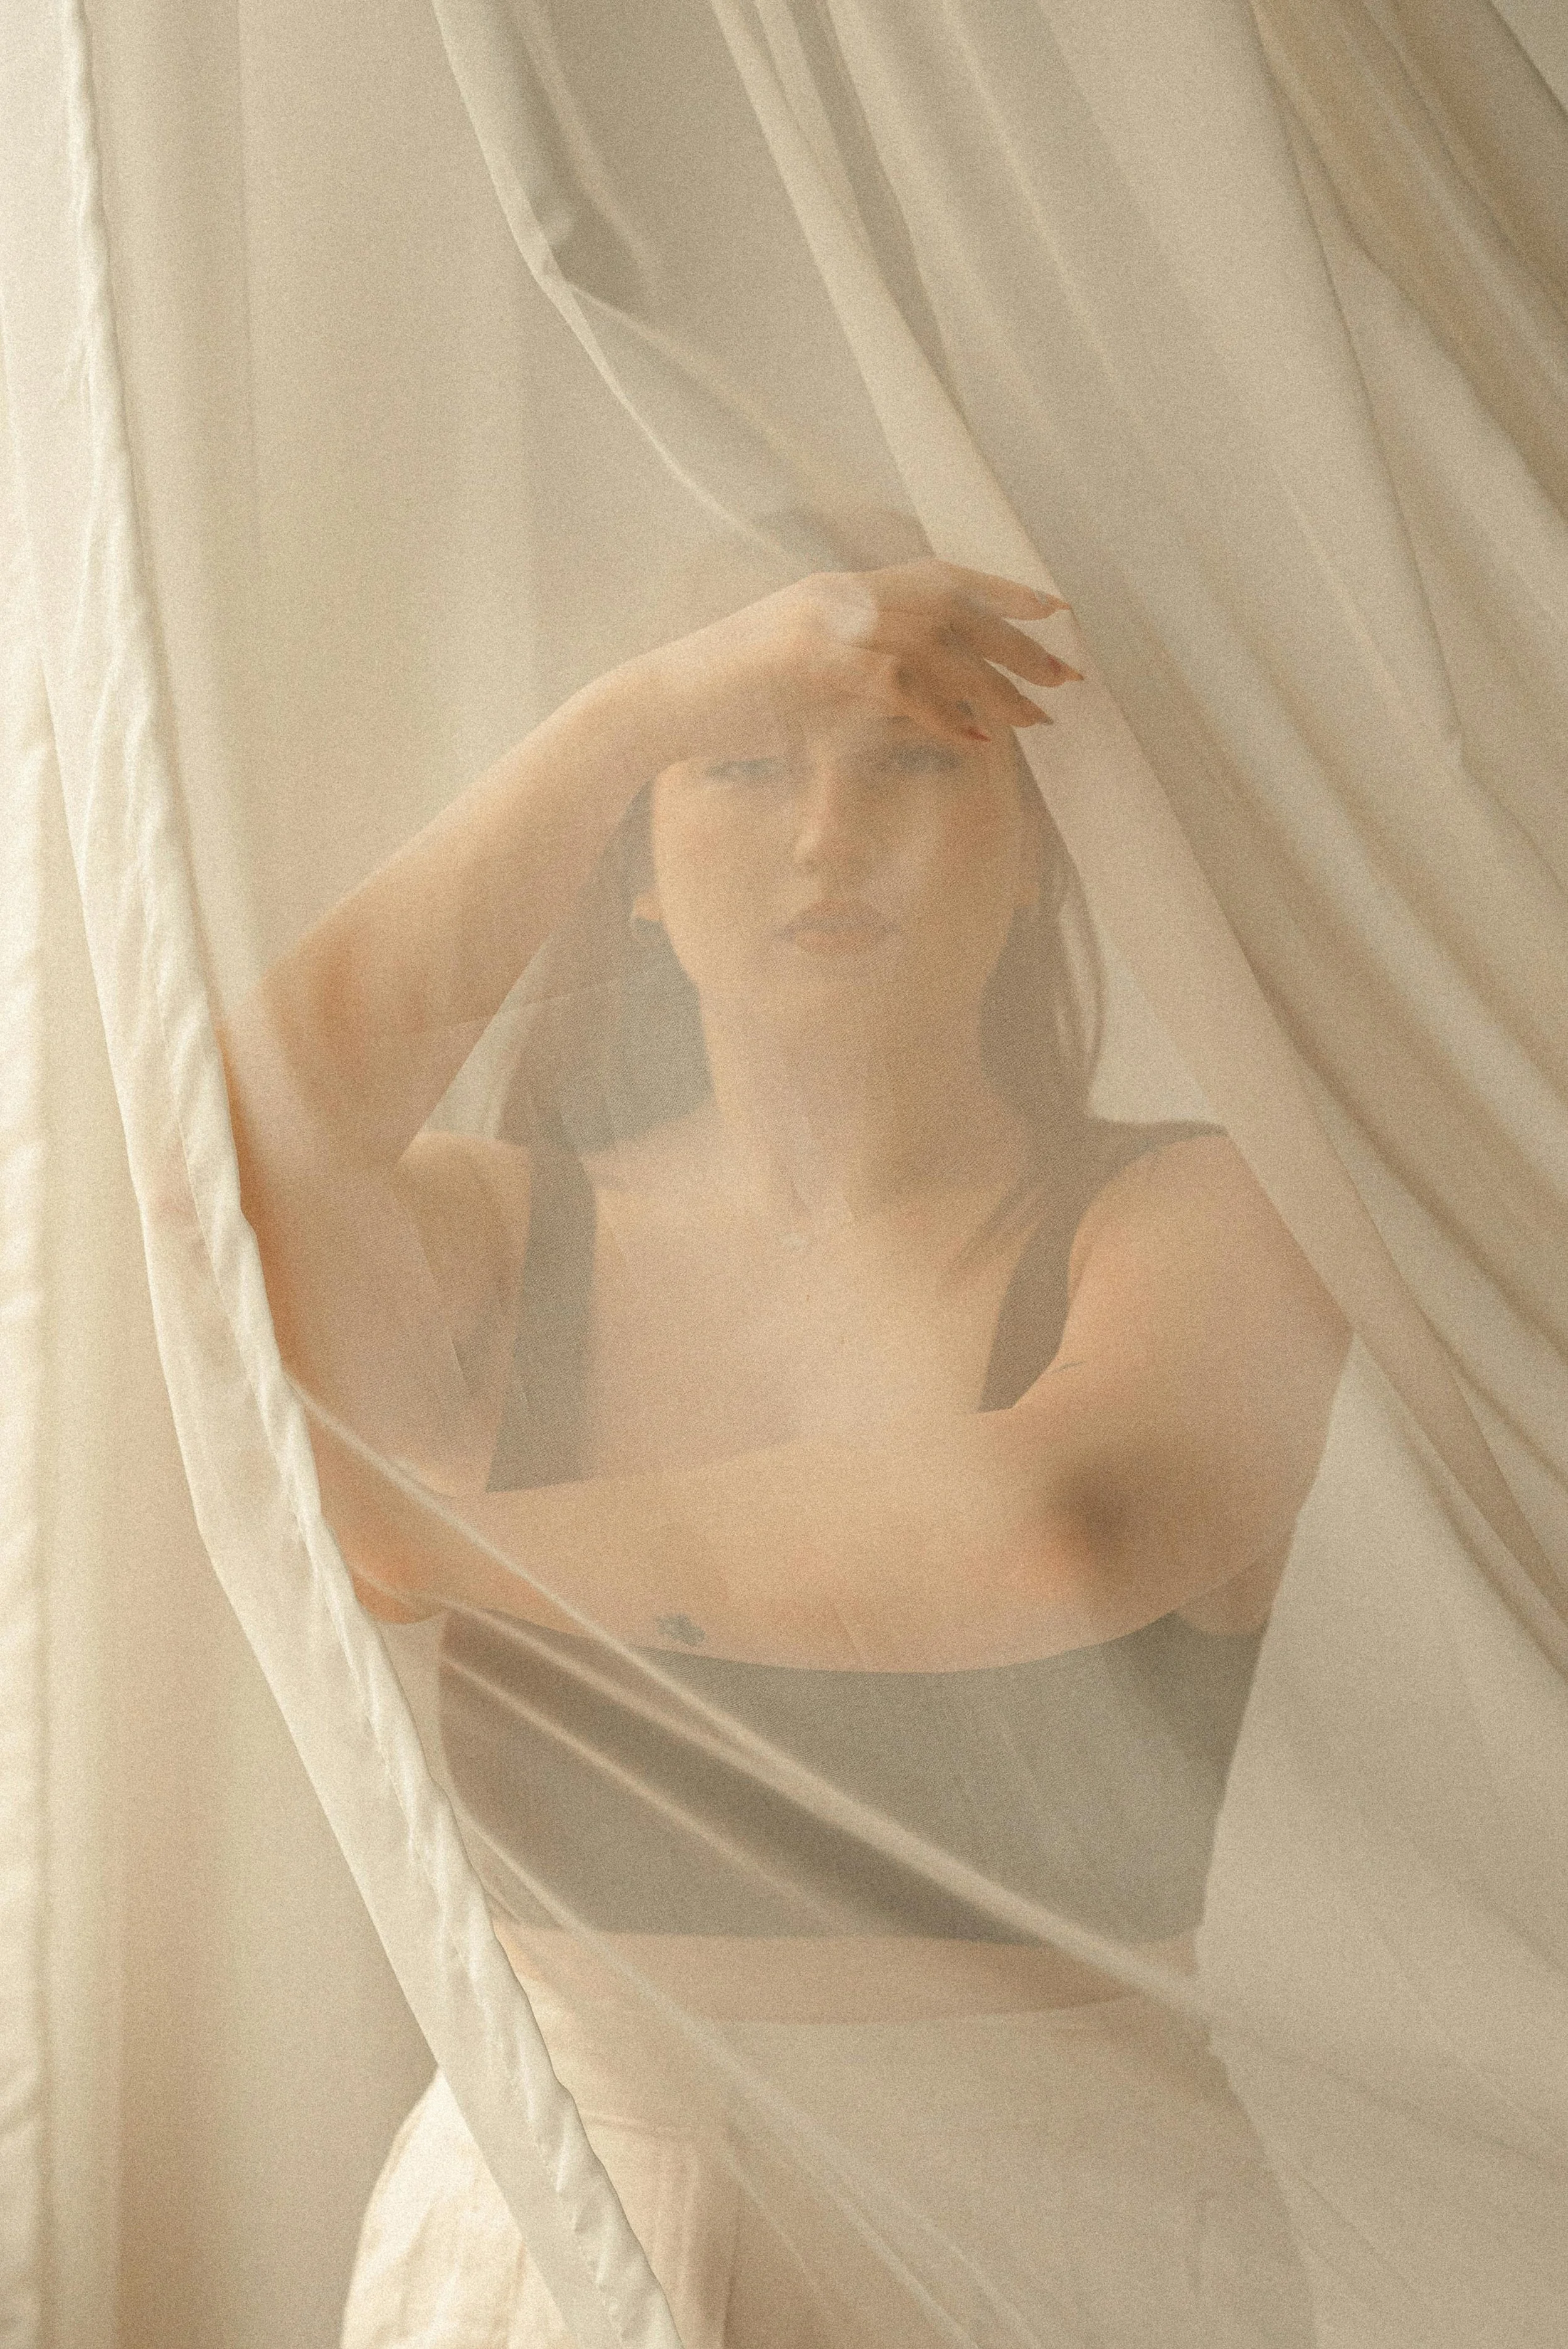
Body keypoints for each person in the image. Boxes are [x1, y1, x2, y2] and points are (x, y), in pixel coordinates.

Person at [221, 548, 1348, 2345]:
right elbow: (222, 1173)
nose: (829, 834)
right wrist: (623, 714)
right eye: (746, 766)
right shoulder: (510, 1248)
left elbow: (1061, 1530)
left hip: (1061, 2230)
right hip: (571, 2206)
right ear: (640, 863)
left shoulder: (1198, 1212)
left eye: (914, 761)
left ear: (1031, 842)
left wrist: (446, 1545)